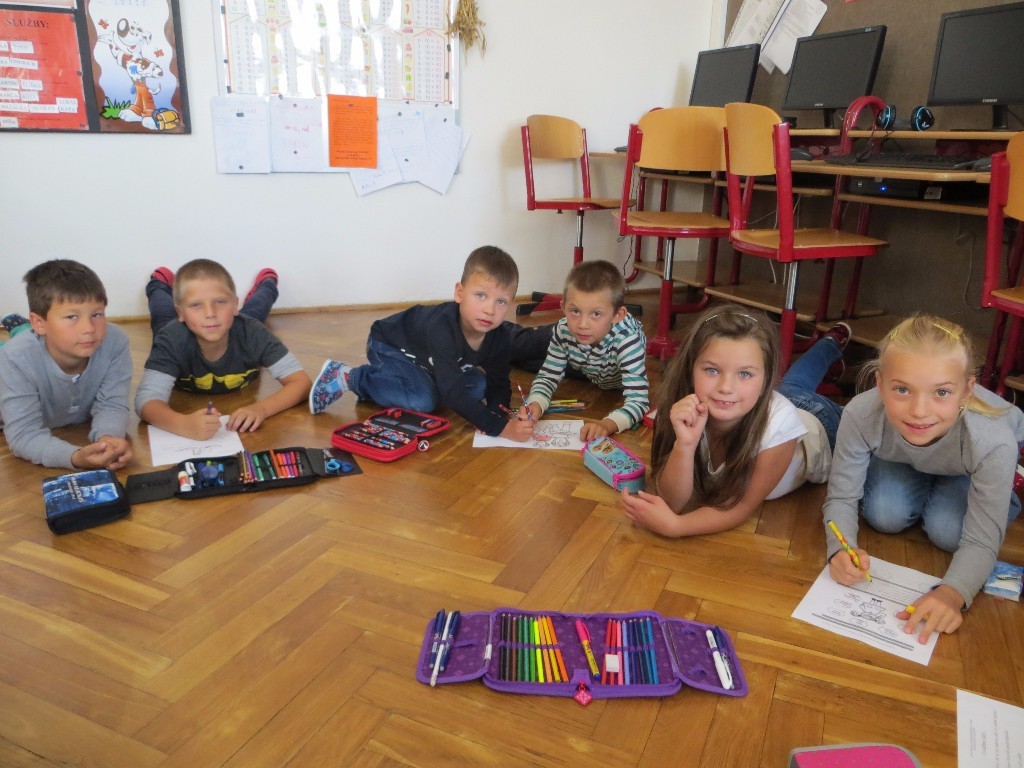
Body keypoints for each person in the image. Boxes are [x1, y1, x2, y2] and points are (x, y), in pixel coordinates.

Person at [824, 315, 1024, 643]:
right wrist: (839, 549)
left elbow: (981, 540)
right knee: (884, 514)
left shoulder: (993, 440)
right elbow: (842, 497)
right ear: (879, 384)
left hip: (967, 466)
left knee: (949, 531)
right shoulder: (860, 413)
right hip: (905, 457)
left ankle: (1007, 496)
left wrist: (953, 593)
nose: (919, 411)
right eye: (902, 389)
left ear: (967, 391)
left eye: (941, 392)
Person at [621, 304, 849, 538]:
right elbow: (672, 502)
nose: (726, 387)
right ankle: (831, 341)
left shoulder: (781, 424)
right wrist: (685, 445)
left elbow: (741, 506)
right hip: (760, 401)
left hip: (821, 422)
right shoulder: (682, 408)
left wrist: (677, 527)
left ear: (766, 380)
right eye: (712, 370)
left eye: (744, 373)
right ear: (691, 369)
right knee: (795, 384)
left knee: (801, 387)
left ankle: (831, 342)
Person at [309, 245, 535, 442]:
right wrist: (500, 429)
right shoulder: (442, 327)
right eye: (481, 295)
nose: (490, 309)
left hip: (427, 361)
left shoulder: (500, 336)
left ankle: (395, 384)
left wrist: (497, 413)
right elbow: (452, 393)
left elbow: (498, 382)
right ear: (459, 293)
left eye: (501, 301)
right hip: (388, 345)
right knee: (422, 399)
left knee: (477, 387)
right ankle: (350, 377)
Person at [136, 260, 311, 440]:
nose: (210, 313)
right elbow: (146, 401)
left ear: (234, 305)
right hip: (179, 328)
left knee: (257, 310)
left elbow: (302, 383)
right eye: (196, 305)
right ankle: (159, 282)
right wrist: (182, 424)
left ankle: (267, 284)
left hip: (239, 324)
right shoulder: (170, 339)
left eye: (220, 301)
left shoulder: (252, 332)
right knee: (161, 313)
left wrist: (261, 409)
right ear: (180, 312)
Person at [0, 260, 133, 469]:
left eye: (96, 314)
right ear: (40, 323)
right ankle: (19, 328)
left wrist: (108, 439)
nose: (89, 328)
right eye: (72, 316)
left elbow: (113, 405)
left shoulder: (115, 341)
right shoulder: (15, 358)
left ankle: (18, 326)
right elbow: (24, 434)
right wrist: (75, 457)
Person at [522, 260, 650, 442]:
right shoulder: (564, 329)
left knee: (526, 357)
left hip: (592, 368)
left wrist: (607, 424)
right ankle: (498, 334)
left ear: (617, 315)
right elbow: (548, 376)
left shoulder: (628, 341)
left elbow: (639, 402)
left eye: (596, 314)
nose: (583, 325)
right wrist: (535, 403)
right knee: (516, 347)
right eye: (575, 311)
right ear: (563, 307)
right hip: (584, 361)